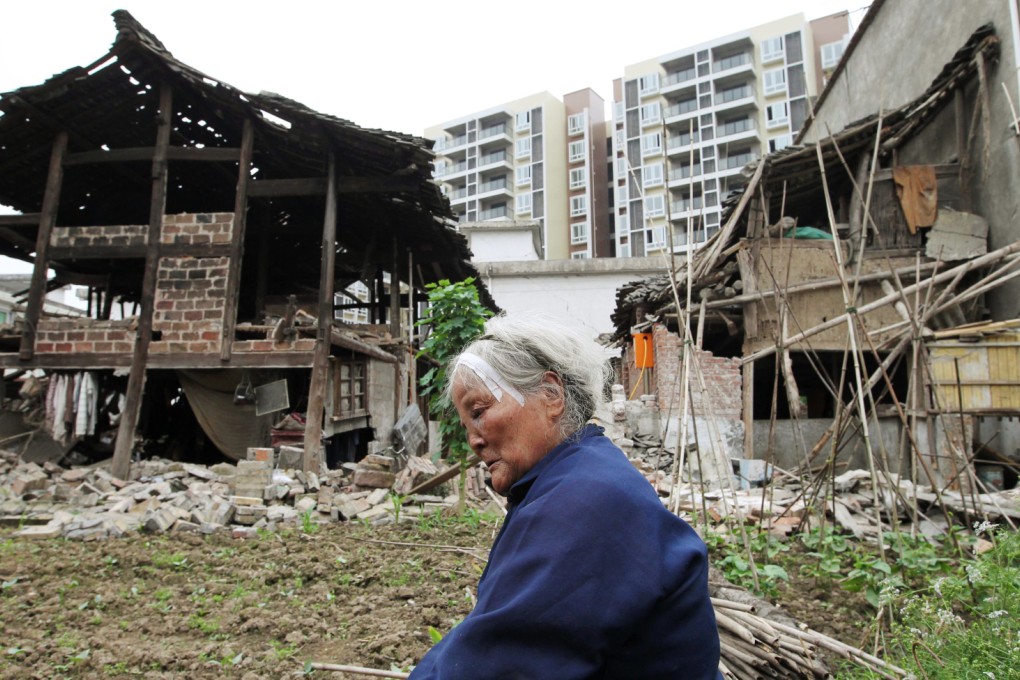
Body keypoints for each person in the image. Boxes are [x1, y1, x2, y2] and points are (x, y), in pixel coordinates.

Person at [409, 314, 721, 679]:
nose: (473, 441)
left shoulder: (585, 503)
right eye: (467, 425)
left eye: (479, 412)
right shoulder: (577, 475)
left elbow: (499, 665)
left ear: (551, 395)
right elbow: (492, 634)